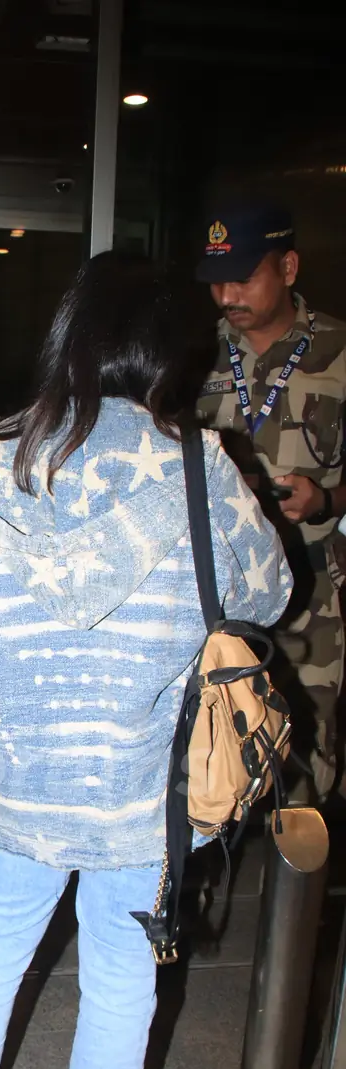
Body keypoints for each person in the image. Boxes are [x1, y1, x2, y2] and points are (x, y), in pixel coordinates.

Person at [0, 253, 291, 1069]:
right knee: (124, 972)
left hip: (24, 773)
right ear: (171, 353)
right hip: (144, 783)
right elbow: (267, 592)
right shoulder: (199, 469)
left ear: (69, 337)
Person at [195, 204, 346, 805]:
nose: (226, 294)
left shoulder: (338, 353)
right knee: (215, 752)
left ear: (287, 267)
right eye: (216, 279)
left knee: (307, 758)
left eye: (242, 277)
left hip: (314, 600)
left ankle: (293, 896)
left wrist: (326, 498)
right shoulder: (194, 357)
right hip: (220, 598)